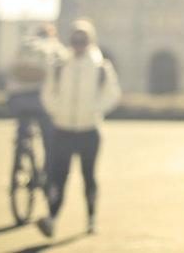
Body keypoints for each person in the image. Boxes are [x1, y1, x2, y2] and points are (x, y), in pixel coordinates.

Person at [37, 19, 121, 238]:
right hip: (62, 129)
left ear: (90, 41)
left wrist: (94, 110)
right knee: (57, 177)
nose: (78, 43)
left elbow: (112, 94)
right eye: (75, 39)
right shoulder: (60, 64)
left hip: (89, 130)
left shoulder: (101, 66)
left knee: (88, 176)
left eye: (83, 39)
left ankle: (91, 218)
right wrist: (56, 111)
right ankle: (52, 218)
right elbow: (48, 92)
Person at [6, 23, 65, 178]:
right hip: (40, 100)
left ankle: (20, 151)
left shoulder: (24, 46)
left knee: (22, 126)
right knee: (48, 136)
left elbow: (9, 69)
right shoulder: (55, 47)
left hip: (17, 99)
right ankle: (47, 172)